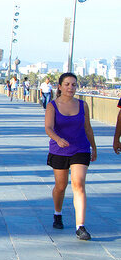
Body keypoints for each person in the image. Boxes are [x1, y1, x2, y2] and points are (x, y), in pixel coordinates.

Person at [45, 73, 97, 240]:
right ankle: (57, 213)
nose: (70, 88)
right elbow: (48, 128)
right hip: (59, 150)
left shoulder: (83, 105)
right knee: (61, 186)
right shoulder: (52, 105)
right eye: (67, 84)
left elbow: (88, 128)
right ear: (59, 86)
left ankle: (80, 226)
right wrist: (58, 139)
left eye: (74, 85)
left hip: (80, 149)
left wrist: (94, 147)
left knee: (78, 184)